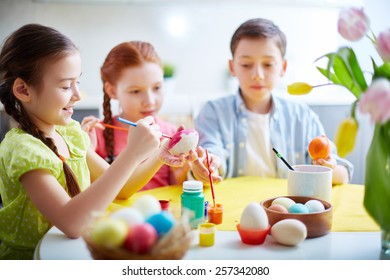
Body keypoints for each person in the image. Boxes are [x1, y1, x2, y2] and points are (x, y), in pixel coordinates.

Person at [0, 24, 203, 259]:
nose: (77, 94)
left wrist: (159, 154)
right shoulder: (24, 149)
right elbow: (72, 222)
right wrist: (132, 154)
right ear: (23, 90)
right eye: (66, 85)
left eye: (77, 82)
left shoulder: (70, 134)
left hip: (74, 252)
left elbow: (122, 188)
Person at [194, 18, 353, 184]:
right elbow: (212, 151)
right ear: (232, 67)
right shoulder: (213, 112)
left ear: (283, 67)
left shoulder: (301, 116)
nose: (258, 75)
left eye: (268, 64)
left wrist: (327, 167)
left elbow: (343, 174)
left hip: (287, 208)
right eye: (246, 64)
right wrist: (209, 164)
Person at [81, 41, 221, 190]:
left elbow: (176, 186)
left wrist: (193, 173)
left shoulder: (172, 134)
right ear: (112, 91)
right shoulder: (95, 136)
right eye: (135, 91)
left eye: (157, 87)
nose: (150, 101)